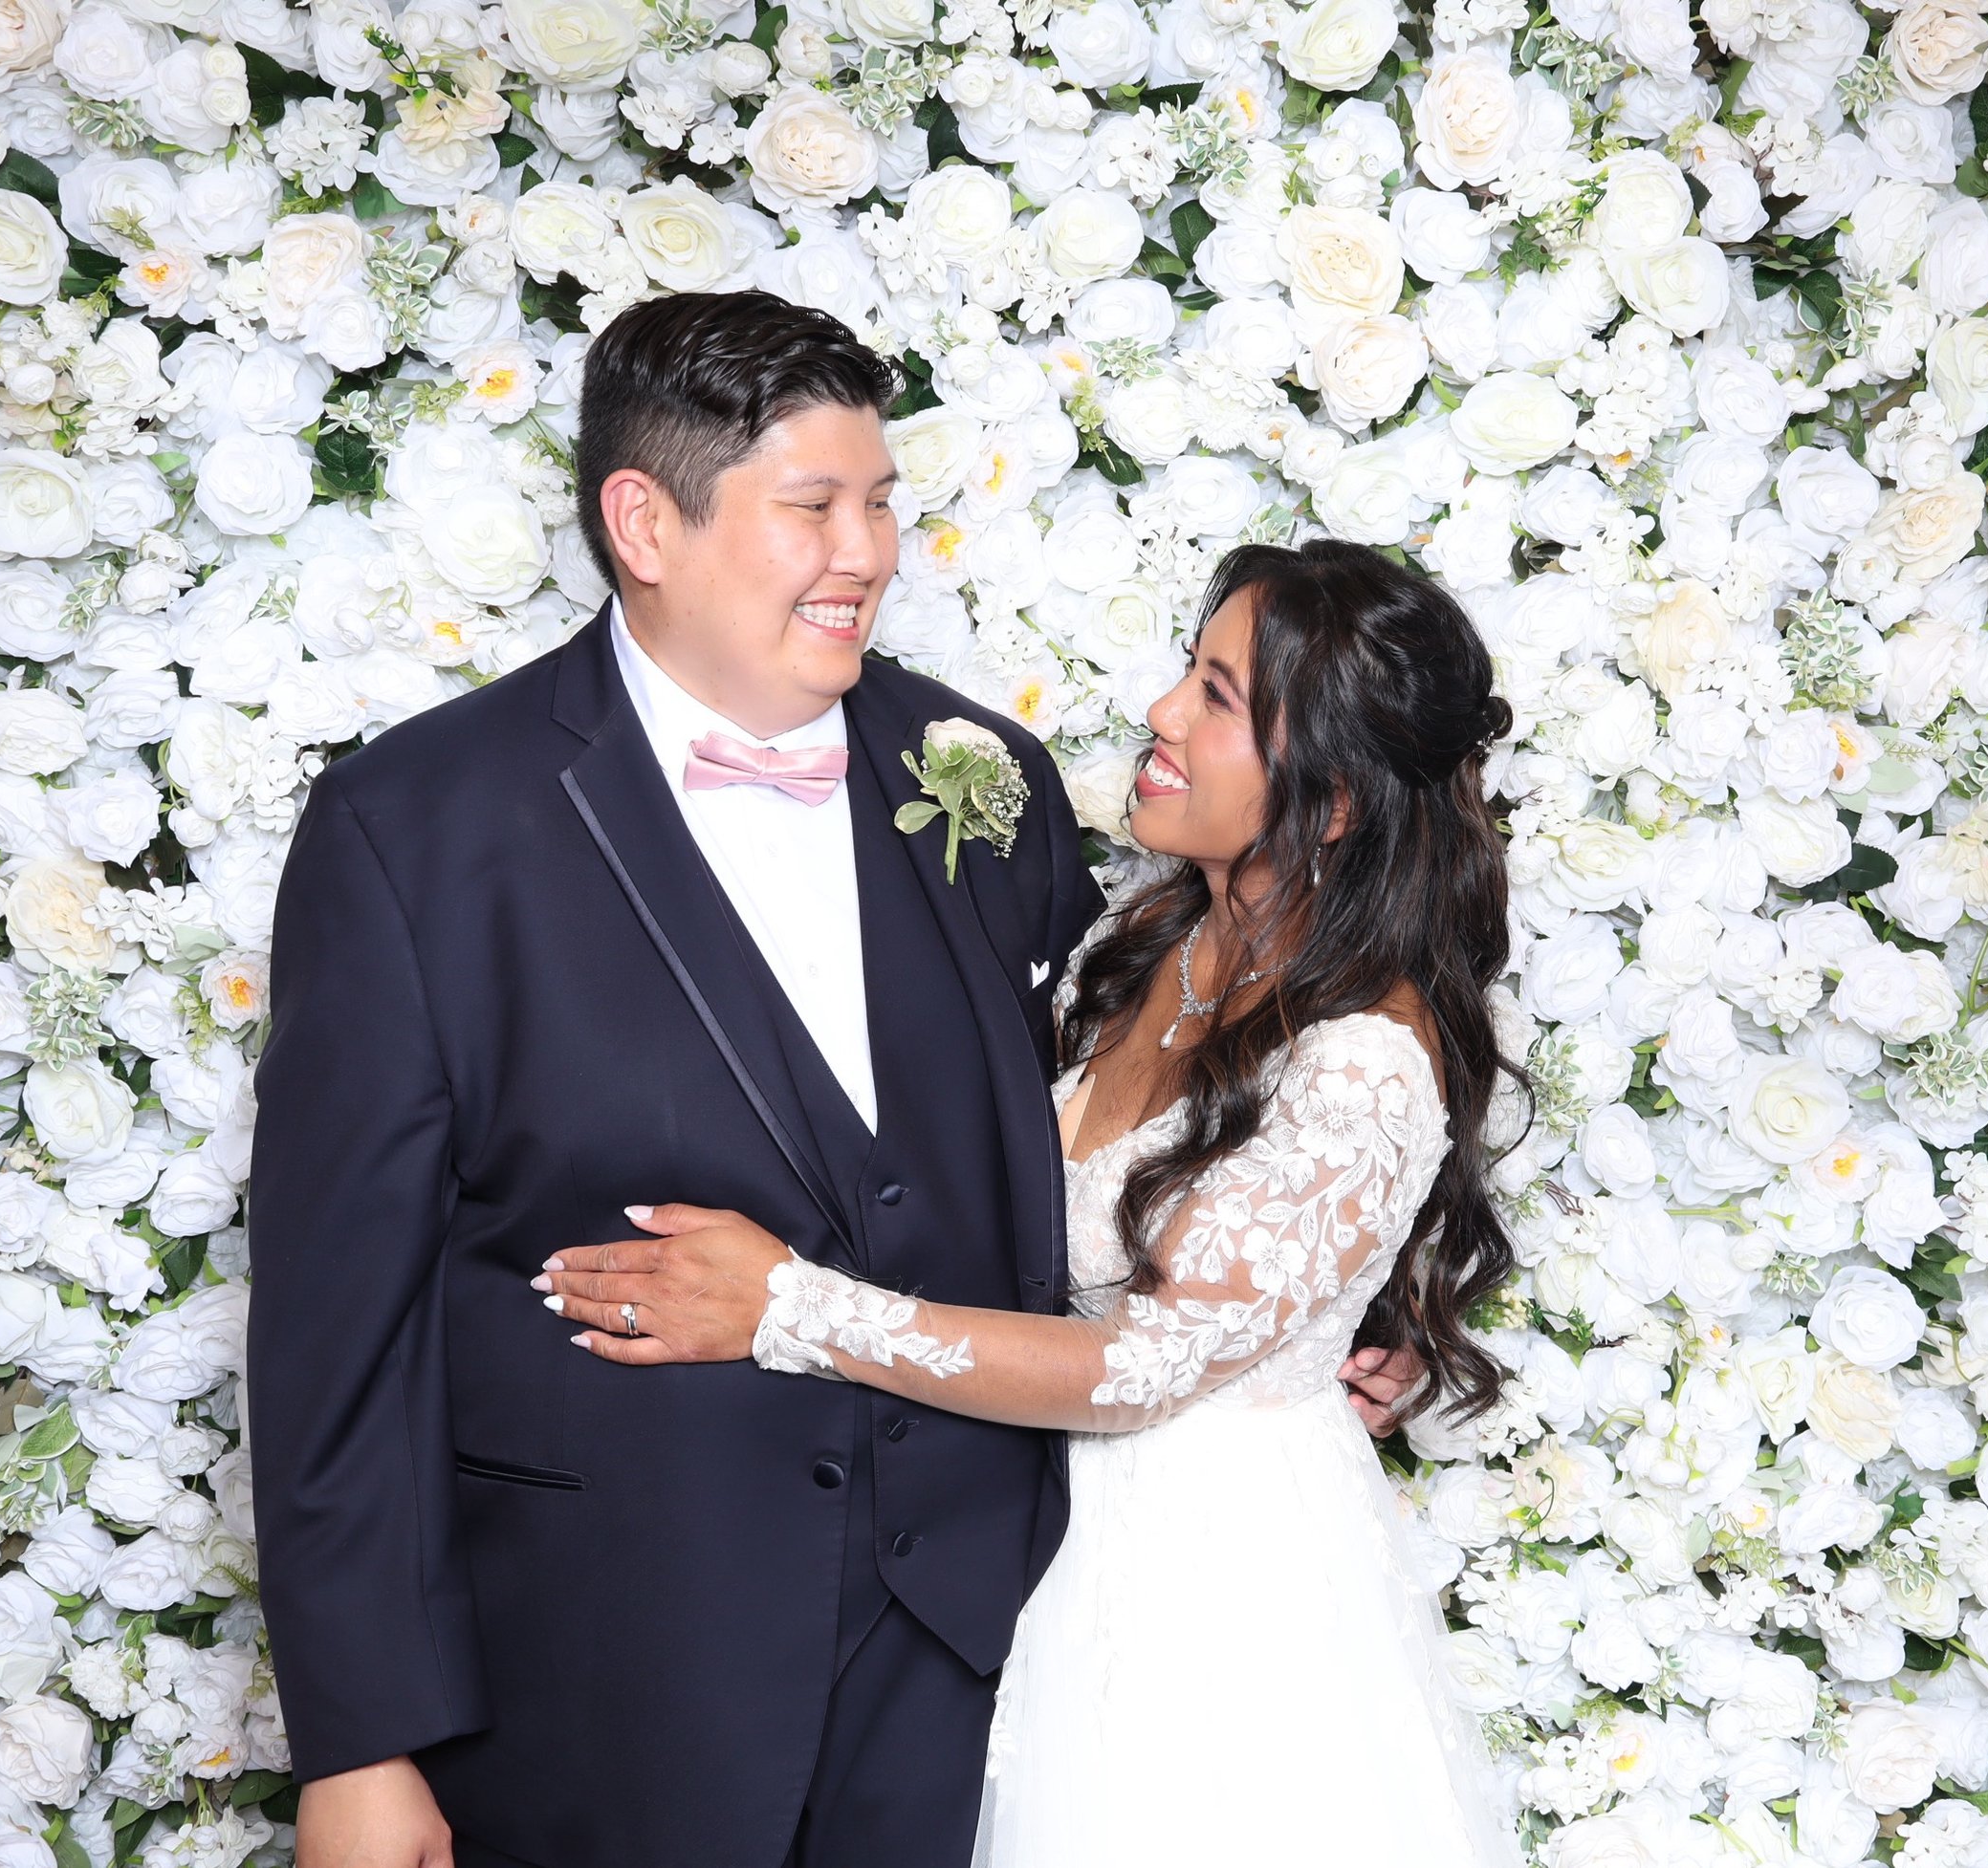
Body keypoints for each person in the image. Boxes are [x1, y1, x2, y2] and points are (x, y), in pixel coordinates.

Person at [248, 291, 1420, 1868]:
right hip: (606, 1670)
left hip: (986, 1663)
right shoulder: (415, 828)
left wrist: (1323, 1307)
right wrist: (360, 1743)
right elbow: (338, 1325)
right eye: (813, 507)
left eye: (879, 501)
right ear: (644, 522)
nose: (865, 551)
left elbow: (1144, 1108)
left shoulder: (979, 778)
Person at [537, 537, 1527, 1866]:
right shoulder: (1155, 937)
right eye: (1190, 667)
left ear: (1337, 799)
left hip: (1203, 1596)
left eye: (1220, 697)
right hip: (1023, 1531)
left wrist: (786, 1306)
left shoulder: (1362, 1058)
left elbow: (1147, 1367)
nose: (1163, 713)